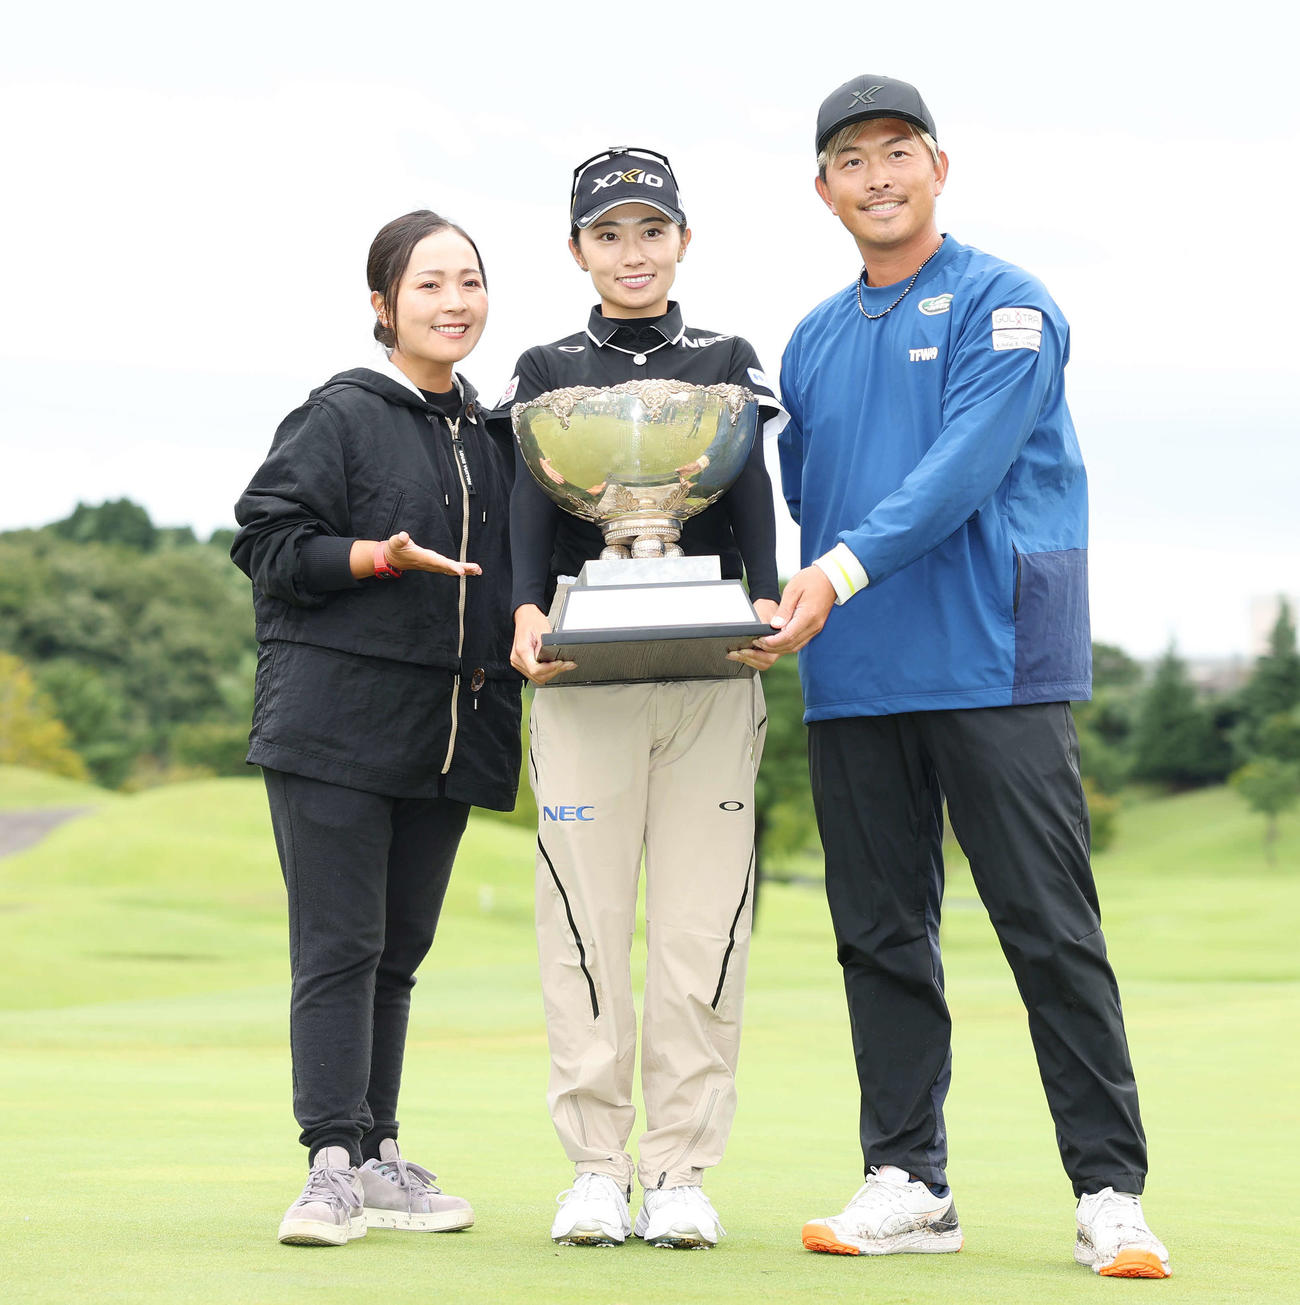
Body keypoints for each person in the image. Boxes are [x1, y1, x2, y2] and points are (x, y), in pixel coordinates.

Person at [757, 76, 1171, 1278]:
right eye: (850, 160)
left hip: (996, 660)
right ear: (822, 189)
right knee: (879, 934)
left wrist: (829, 573)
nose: (876, 176)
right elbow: (807, 493)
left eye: (897, 153)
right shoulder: (813, 340)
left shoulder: (1009, 306)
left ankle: (1108, 1189)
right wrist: (805, 591)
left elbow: (958, 470)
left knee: (1047, 928)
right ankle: (908, 1181)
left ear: (940, 166)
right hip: (859, 673)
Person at [487, 147, 786, 1250]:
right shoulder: (545, 365)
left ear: (682, 241)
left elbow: (748, 487)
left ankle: (680, 1171)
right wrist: (524, 610)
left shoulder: (724, 362)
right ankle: (595, 1171)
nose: (630, 253)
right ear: (578, 250)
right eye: (607, 235)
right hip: (583, 678)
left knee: (702, 931)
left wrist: (760, 600)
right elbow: (529, 499)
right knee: (583, 928)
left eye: (649, 231)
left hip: (710, 684)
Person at [231, 210, 520, 1247]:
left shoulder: (496, 439)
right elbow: (267, 542)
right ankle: (328, 1167)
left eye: (470, 282)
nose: (454, 302)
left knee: (397, 955)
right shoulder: (341, 416)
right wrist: (372, 556)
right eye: (431, 284)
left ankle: (380, 1151)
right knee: (340, 949)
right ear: (383, 306)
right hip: (333, 732)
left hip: (445, 735)